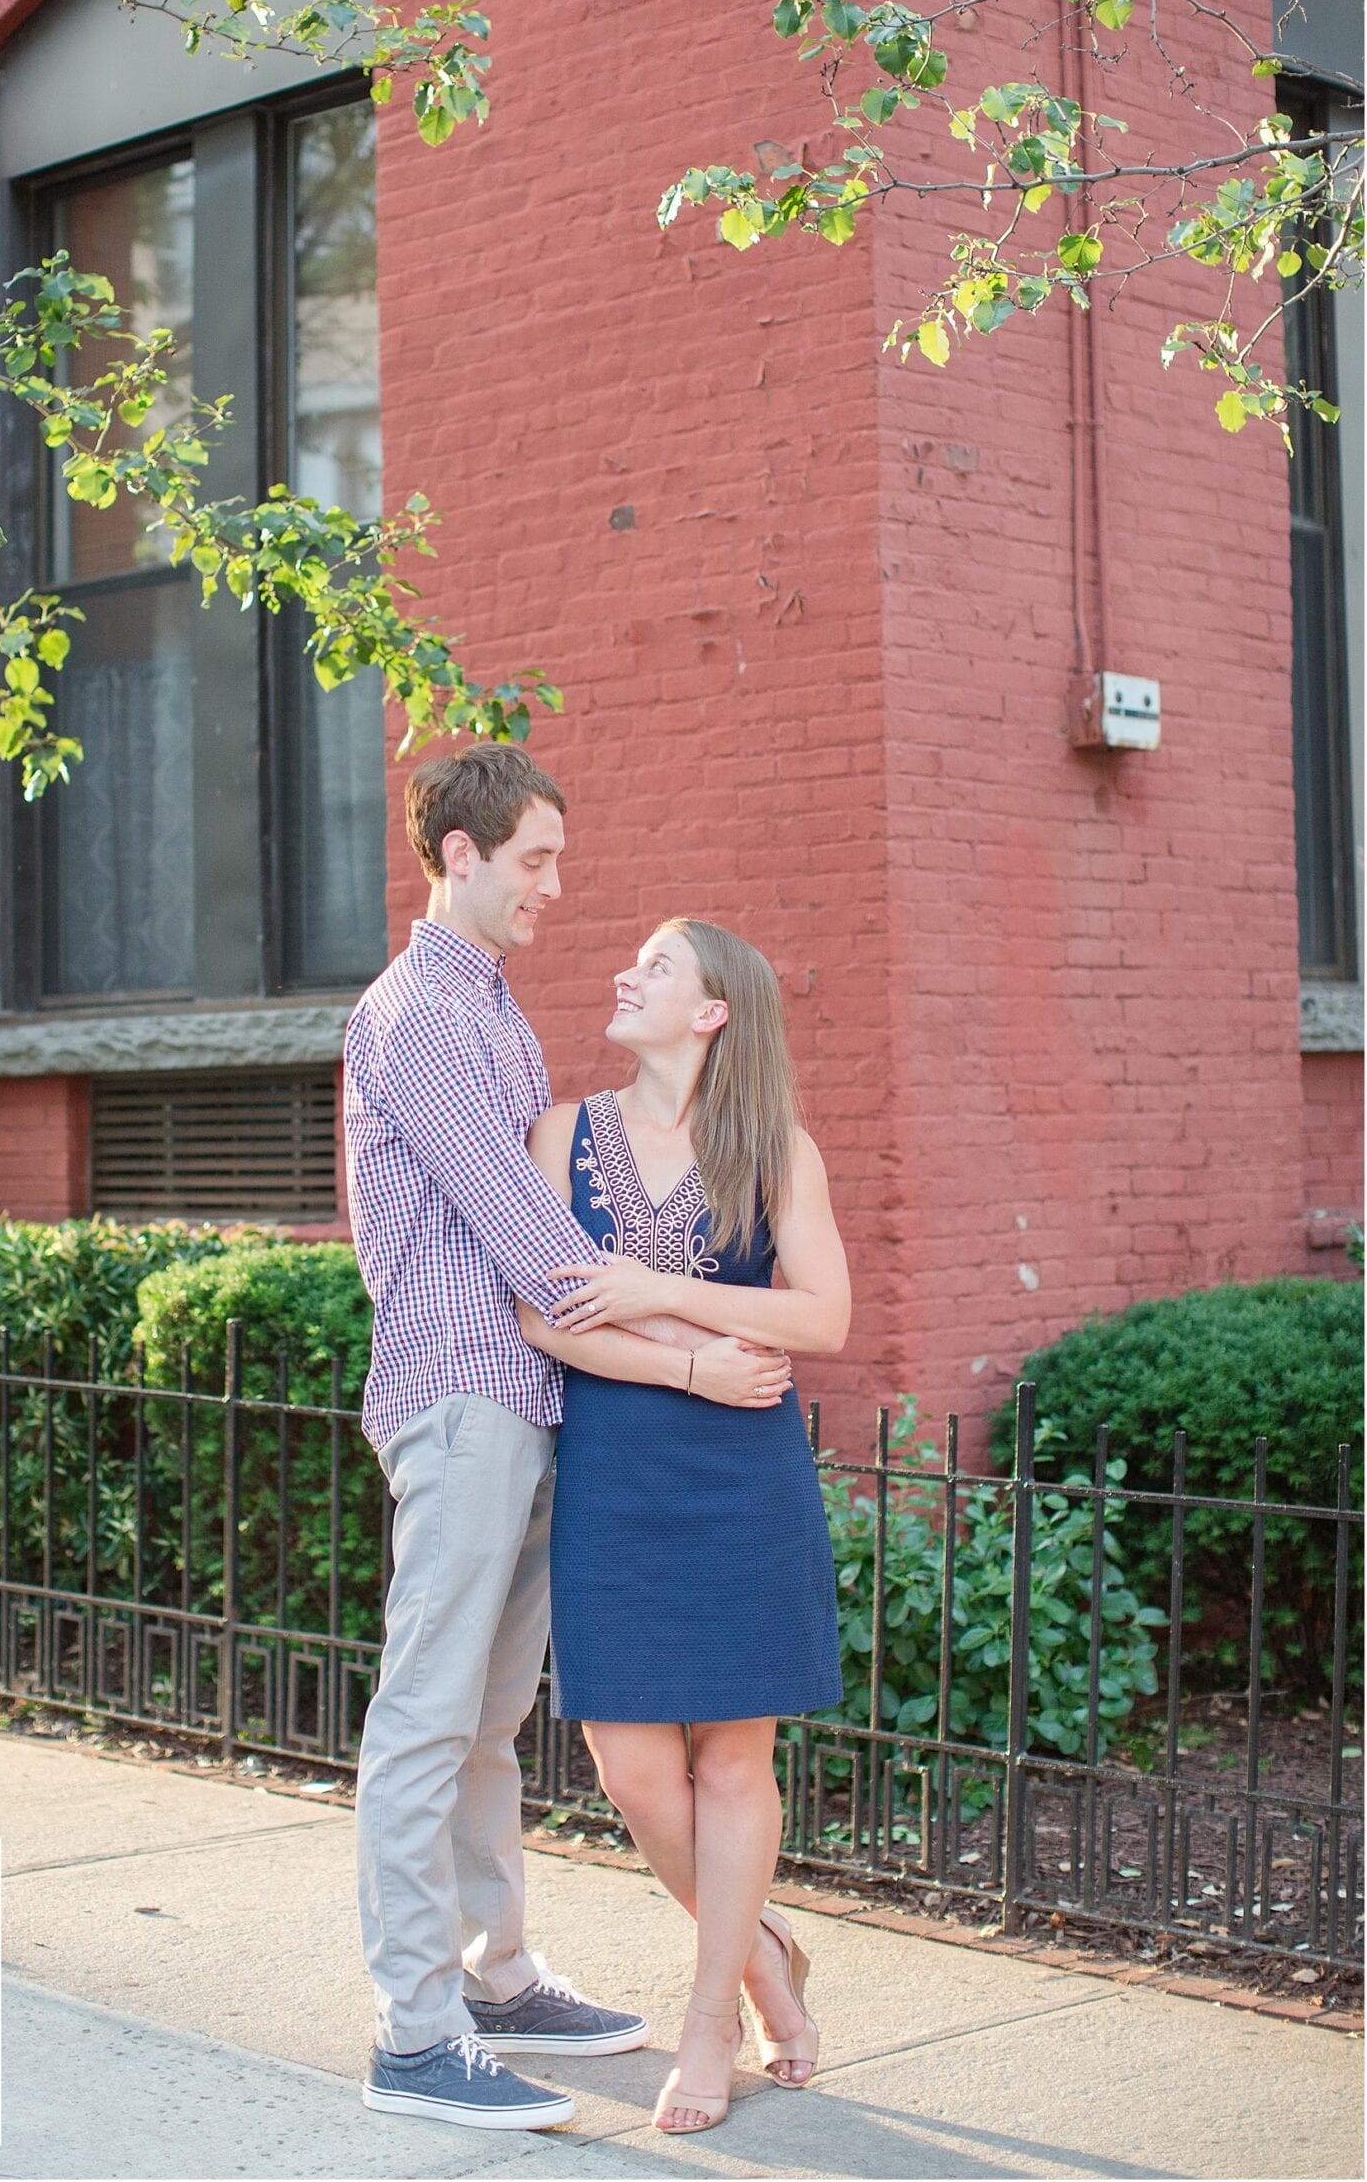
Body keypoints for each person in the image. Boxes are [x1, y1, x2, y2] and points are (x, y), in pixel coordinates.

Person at [342, 752, 795, 2135]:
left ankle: (498, 1975)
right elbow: (528, 1233)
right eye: (536, 860)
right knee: (427, 1713)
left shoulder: (494, 1014)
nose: (556, 885)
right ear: (464, 855)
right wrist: (690, 1359)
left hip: (538, 1404)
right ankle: (415, 2035)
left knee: (489, 1720)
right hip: (465, 1393)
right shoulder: (419, 1011)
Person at [515, 916, 851, 2137]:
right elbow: (546, 1316)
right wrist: (691, 1364)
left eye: (657, 967)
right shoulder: (563, 1134)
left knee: (732, 1761)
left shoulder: (773, 1149)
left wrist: (657, 1290)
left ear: (712, 1012)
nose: (627, 973)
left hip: (742, 1483)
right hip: (619, 1468)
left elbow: (823, 1316)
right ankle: (762, 1950)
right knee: (632, 1763)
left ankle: (714, 2018)